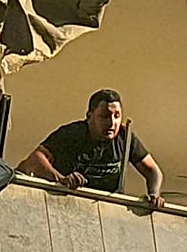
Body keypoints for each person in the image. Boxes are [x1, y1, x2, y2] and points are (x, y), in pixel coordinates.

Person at [17, 89, 165, 208]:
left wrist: (154, 194)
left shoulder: (125, 138)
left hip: (105, 210)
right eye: (105, 116)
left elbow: (153, 170)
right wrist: (61, 179)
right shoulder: (72, 134)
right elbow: (35, 159)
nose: (112, 123)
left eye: (117, 116)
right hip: (64, 204)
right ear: (90, 116)